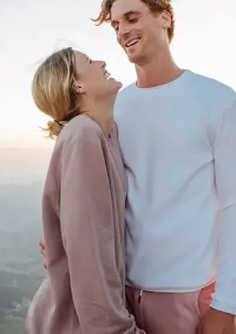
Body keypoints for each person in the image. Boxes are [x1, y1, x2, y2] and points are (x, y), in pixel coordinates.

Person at [40, 0, 236, 334]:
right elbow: (94, 189)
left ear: (165, 18)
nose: (123, 30)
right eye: (116, 25)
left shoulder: (218, 101)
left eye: (132, 17)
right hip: (120, 295)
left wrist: (226, 305)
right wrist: (68, 242)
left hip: (187, 296)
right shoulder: (115, 108)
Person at [25, 47, 145, 334]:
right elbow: (90, 249)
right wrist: (117, 329)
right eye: (89, 62)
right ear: (77, 85)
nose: (102, 62)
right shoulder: (84, 135)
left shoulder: (106, 134)